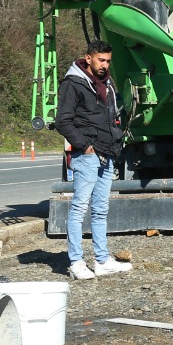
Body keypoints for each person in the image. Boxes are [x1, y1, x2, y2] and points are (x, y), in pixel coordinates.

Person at [54, 39, 132, 281]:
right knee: (79, 208)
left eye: (108, 61)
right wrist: (84, 146)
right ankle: (76, 262)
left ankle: (102, 260)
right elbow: (62, 121)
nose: (104, 65)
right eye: (101, 60)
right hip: (87, 155)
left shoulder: (106, 84)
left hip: (107, 154)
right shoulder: (73, 83)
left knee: (100, 210)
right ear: (88, 58)